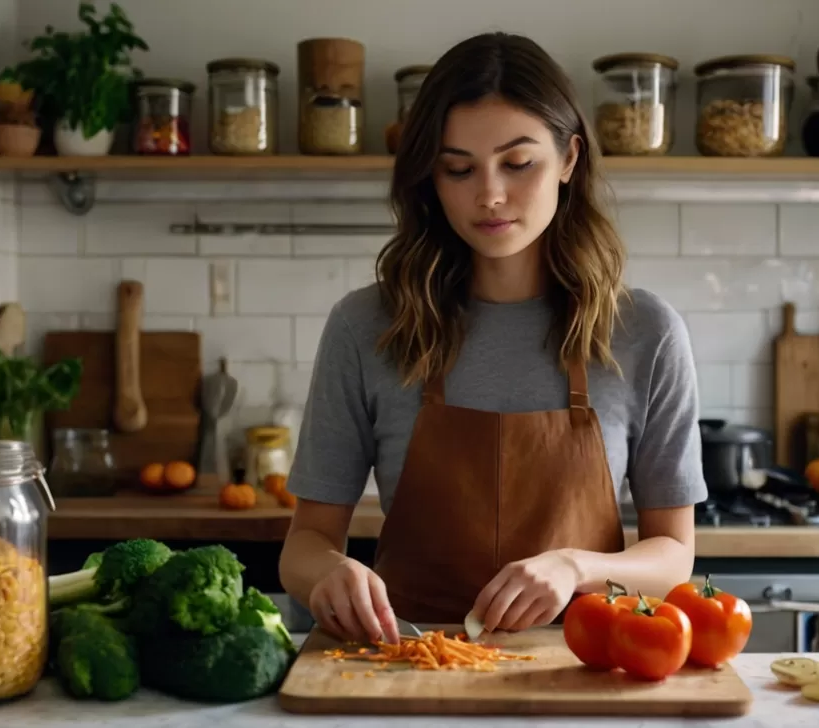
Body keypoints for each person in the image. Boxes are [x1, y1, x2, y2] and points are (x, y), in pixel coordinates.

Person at [279, 31, 706, 647]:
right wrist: (329, 572)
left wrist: (578, 567)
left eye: (518, 162)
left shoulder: (647, 332)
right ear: (431, 176)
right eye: (459, 168)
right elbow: (306, 542)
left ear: (569, 160)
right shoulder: (365, 326)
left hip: (583, 668)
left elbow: (673, 555)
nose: (490, 195)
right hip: (408, 666)